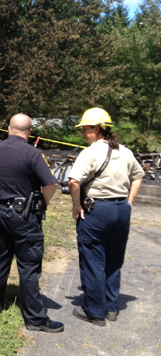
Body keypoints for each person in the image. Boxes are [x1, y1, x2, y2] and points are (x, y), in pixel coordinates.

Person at [0, 113, 63, 333]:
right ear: (29, 132)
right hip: (23, 215)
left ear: (9, 129)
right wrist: (45, 203)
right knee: (29, 265)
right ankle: (35, 319)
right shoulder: (33, 154)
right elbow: (50, 185)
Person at [68, 108, 144, 326]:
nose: (83, 133)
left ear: (98, 128)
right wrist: (129, 201)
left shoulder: (90, 152)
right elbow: (138, 175)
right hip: (121, 209)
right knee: (114, 260)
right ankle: (111, 307)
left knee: (93, 260)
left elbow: (74, 181)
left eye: (85, 128)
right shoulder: (125, 152)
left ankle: (95, 311)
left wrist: (76, 205)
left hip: (98, 210)